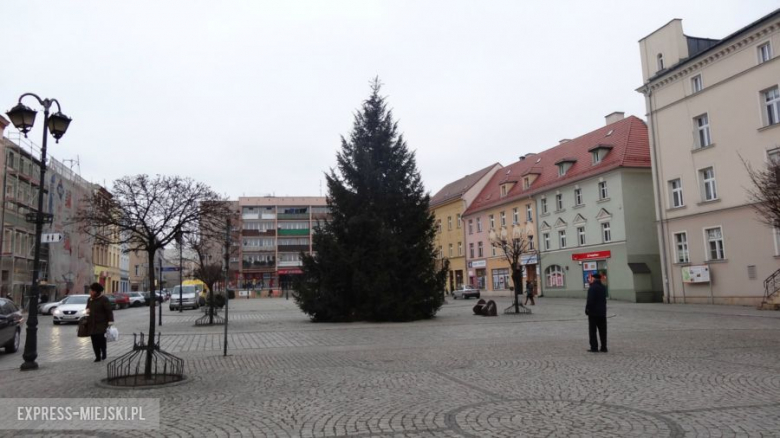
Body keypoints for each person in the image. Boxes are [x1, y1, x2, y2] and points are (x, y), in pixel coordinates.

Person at [86, 283, 114, 362]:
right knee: (94, 341)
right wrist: (87, 311)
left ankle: (104, 352)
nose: (90, 292)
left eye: (91, 291)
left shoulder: (104, 299)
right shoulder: (90, 299)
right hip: (92, 324)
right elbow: (87, 308)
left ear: (96, 291)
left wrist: (110, 321)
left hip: (101, 324)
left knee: (101, 340)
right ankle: (97, 356)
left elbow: (109, 311)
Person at [585, 273, 607, 353]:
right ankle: (604, 347)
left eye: (591, 278)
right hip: (602, 312)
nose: (590, 280)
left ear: (594, 279)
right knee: (603, 331)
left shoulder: (592, 288)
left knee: (592, 331)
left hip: (593, 313)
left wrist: (587, 309)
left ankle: (594, 347)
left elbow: (590, 300)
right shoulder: (603, 288)